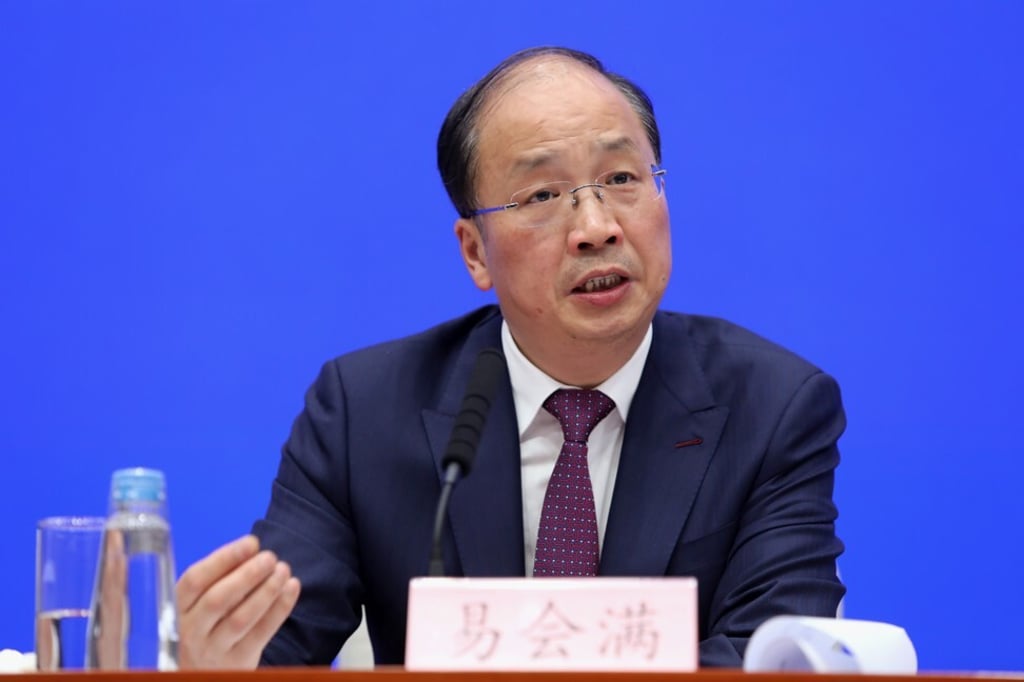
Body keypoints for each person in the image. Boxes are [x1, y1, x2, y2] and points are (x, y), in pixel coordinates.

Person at [174, 46, 846, 669]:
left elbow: (772, 657)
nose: (596, 227)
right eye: (544, 196)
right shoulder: (363, 413)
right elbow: (273, 647)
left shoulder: (774, 407)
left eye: (621, 177)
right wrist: (217, 660)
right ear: (474, 252)